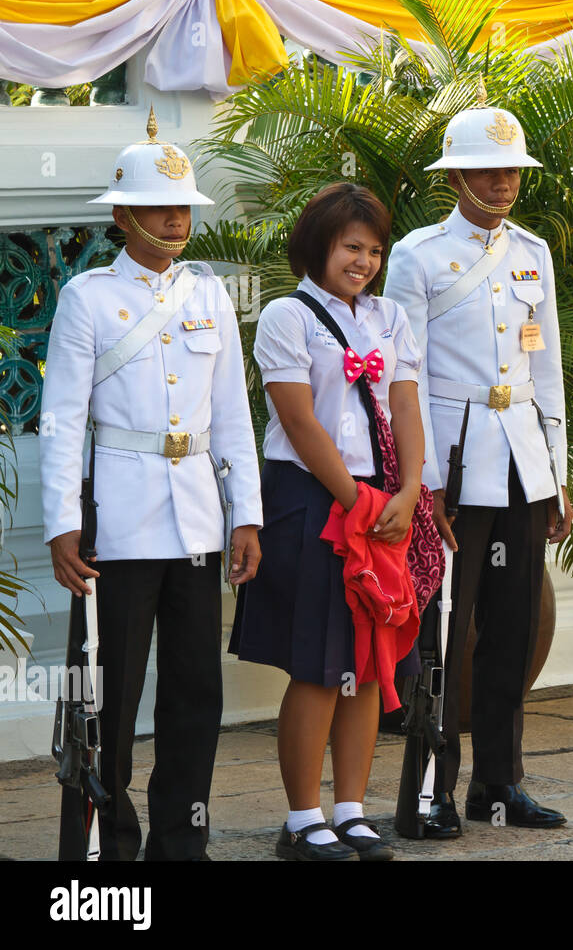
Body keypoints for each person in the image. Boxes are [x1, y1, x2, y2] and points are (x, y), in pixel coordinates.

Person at [40, 108, 263, 860]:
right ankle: (98, 844)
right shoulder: (88, 297)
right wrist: (61, 523)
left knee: (195, 694)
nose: (176, 220)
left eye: (184, 209)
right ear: (126, 215)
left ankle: (182, 838)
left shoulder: (208, 296)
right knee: (104, 694)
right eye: (161, 208)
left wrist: (246, 517)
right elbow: (63, 420)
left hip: (197, 522)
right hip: (119, 524)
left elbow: (232, 415)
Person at [384, 86, 573, 836]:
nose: (503, 182)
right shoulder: (416, 256)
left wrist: (557, 476)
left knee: (512, 630)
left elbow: (549, 369)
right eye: (487, 171)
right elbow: (407, 375)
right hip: (454, 471)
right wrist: (421, 483)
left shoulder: (534, 253)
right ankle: (429, 789)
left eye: (511, 170)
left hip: (523, 464)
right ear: (454, 178)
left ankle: (499, 787)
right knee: (441, 633)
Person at [229, 182, 429, 861]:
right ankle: (301, 818)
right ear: (319, 243)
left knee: (368, 664)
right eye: (351, 247)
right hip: (312, 501)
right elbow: (297, 419)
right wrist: (357, 500)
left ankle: (351, 809)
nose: (364, 262)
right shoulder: (289, 317)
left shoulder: (391, 318)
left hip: (380, 502)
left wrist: (406, 492)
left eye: (374, 250)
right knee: (318, 665)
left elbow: (406, 406)